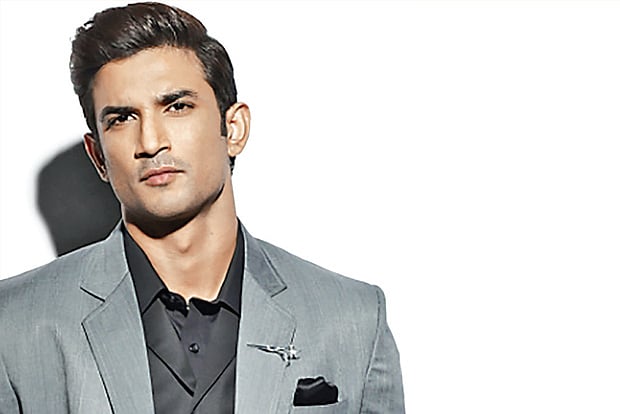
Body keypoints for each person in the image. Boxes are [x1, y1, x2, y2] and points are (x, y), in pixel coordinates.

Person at [0, 2, 404, 413]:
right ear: (99, 156)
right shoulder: (13, 325)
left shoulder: (352, 319)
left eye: (177, 106)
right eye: (122, 118)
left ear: (234, 129)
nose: (151, 141)